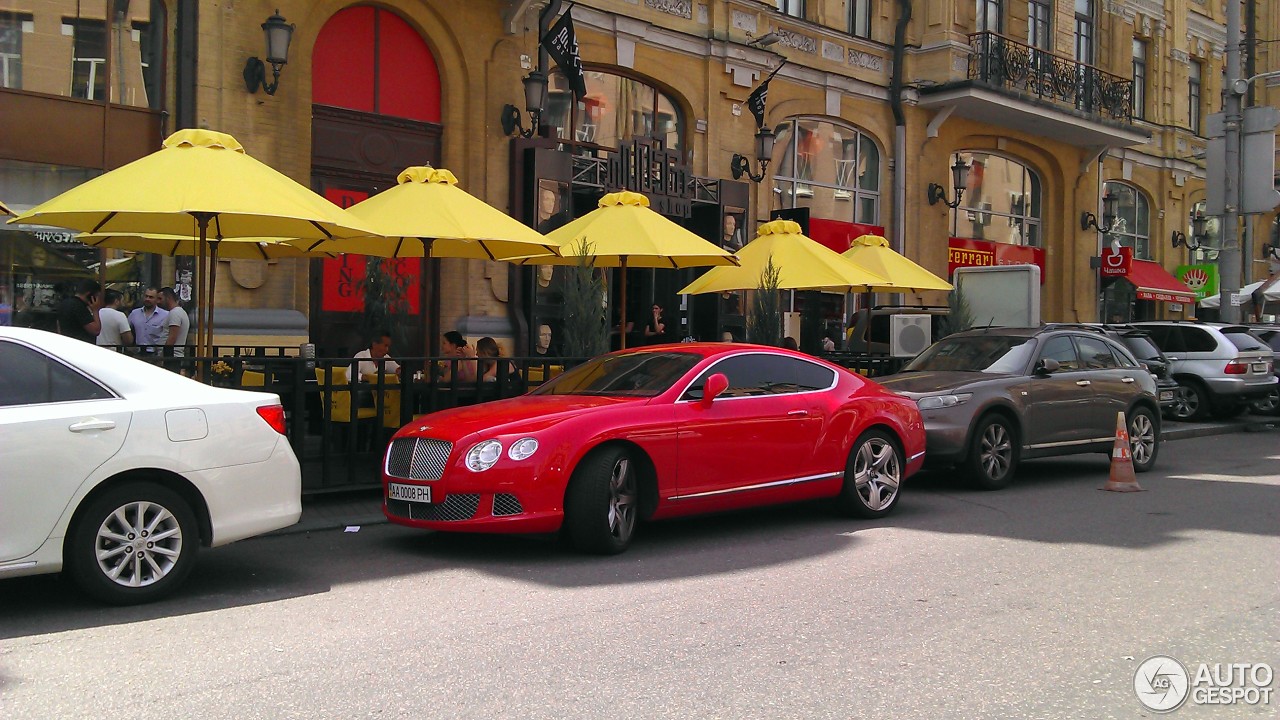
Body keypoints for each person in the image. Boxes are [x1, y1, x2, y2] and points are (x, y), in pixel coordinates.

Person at [56, 279, 102, 343]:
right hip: (80, 344)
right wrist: (95, 310)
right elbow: (95, 330)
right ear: (90, 295)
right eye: (97, 296)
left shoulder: (65, 303)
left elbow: (58, 324)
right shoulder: (79, 306)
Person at [128, 286, 169, 354]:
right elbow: (126, 330)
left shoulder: (165, 315)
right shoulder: (134, 313)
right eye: (146, 296)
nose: (147, 299)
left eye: (151, 297)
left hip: (156, 354)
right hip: (138, 353)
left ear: (157, 299)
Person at [159, 287, 190, 361]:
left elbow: (172, 337)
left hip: (172, 356)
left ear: (168, 298)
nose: (158, 302)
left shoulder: (175, 313)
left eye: (160, 298)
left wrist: (163, 356)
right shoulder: (176, 312)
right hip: (172, 355)